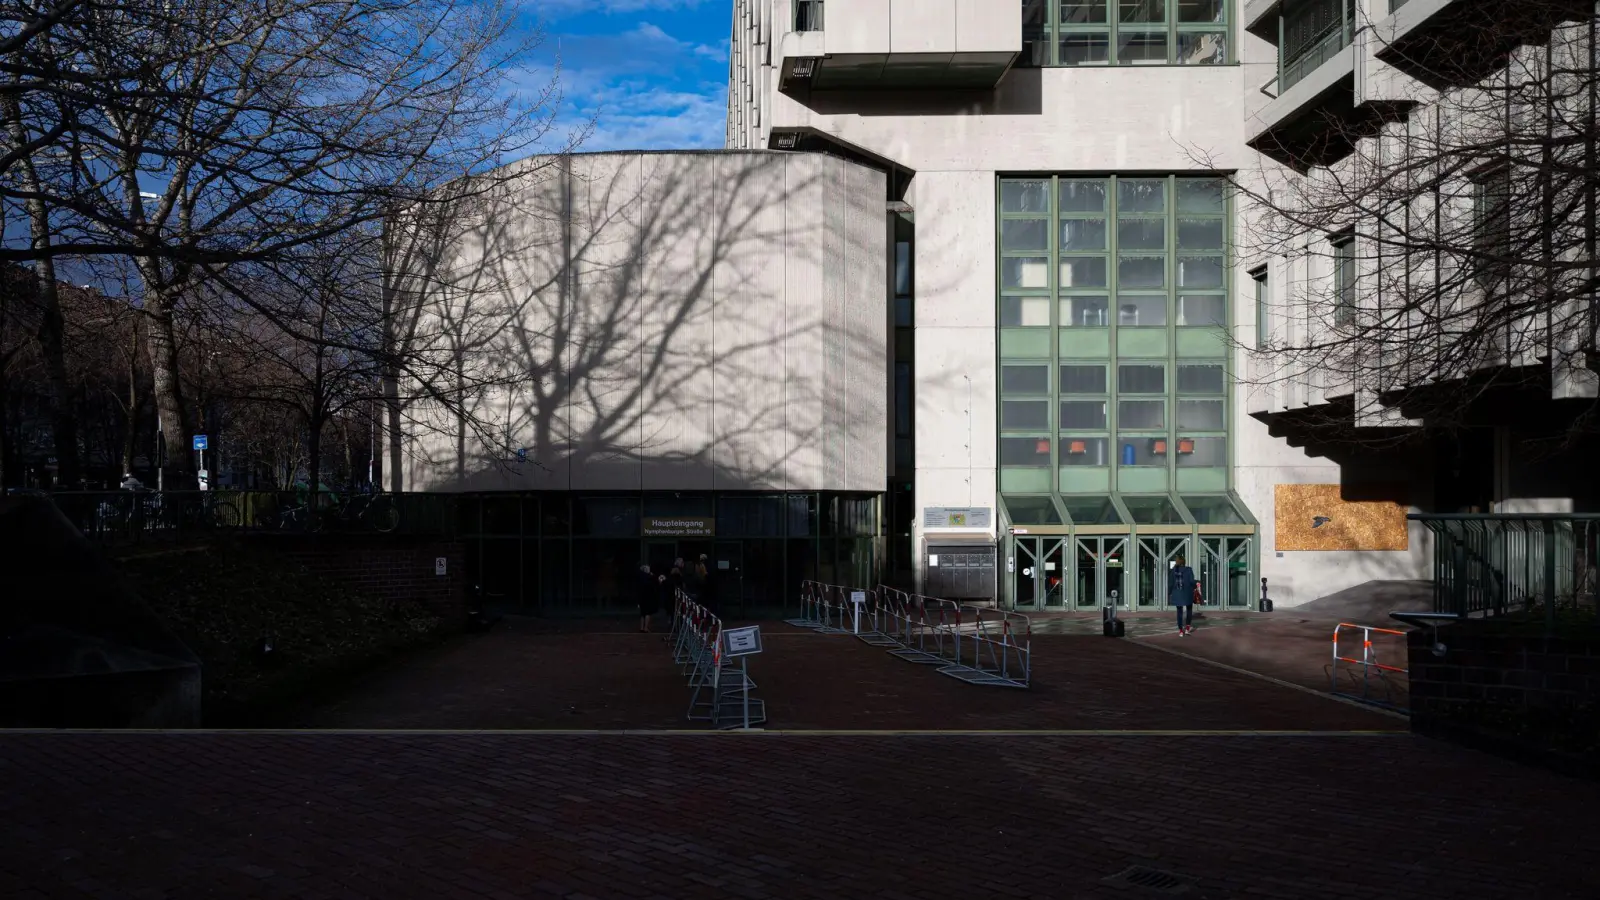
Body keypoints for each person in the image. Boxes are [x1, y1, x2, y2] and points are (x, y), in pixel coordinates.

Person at [1169, 554, 1198, 636]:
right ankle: (1187, 629)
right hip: (1187, 593)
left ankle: (1181, 631)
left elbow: (1170, 583)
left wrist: (1169, 593)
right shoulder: (1189, 570)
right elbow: (1192, 581)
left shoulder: (1173, 571)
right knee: (1189, 610)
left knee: (1179, 612)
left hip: (1177, 593)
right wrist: (1195, 585)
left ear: (1177, 562)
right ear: (1184, 562)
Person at [637, 564, 663, 633]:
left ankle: (641, 627)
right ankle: (646, 628)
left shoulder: (640, 578)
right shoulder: (650, 577)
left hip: (641, 597)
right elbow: (656, 584)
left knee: (642, 613)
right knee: (648, 613)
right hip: (648, 597)